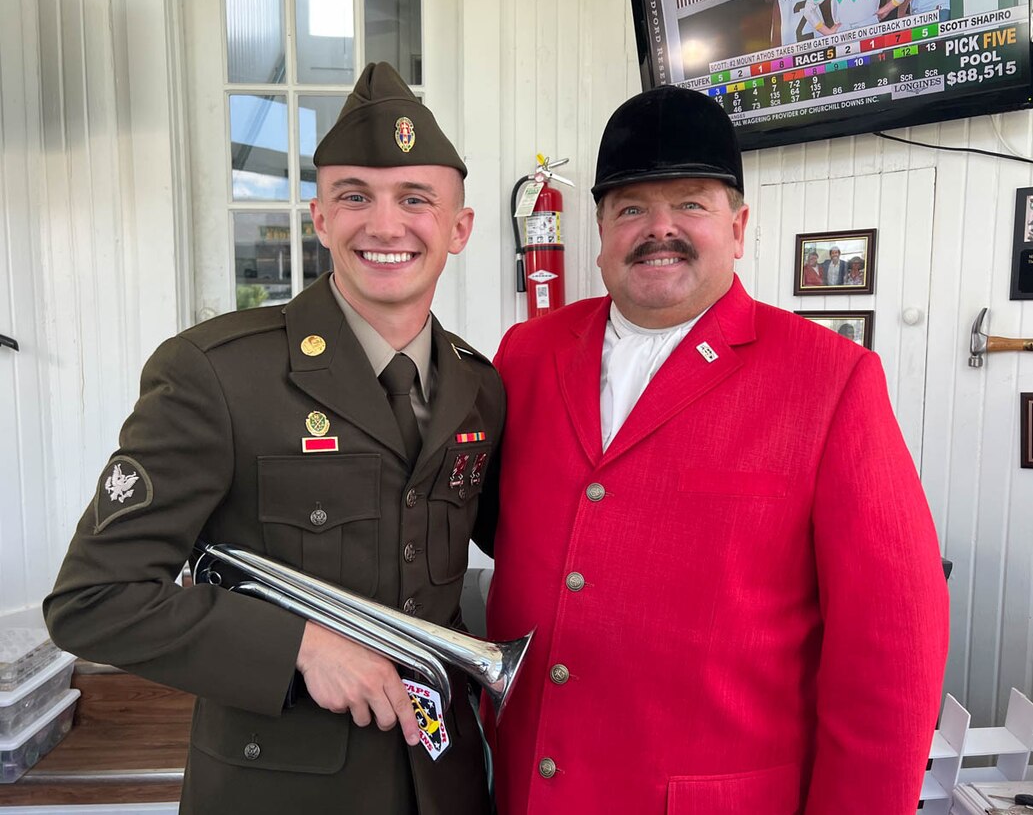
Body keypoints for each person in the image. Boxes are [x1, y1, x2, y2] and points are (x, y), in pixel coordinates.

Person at [43, 62, 501, 815]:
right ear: (320, 218)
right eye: (354, 197)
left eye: (414, 199)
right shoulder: (215, 373)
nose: (385, 225)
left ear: (459, 227)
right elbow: (92, 600)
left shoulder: (479, 385)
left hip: (442, 778)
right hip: (279, 786)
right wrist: (300, 646)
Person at [483, 85, 948, 814]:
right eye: (631, 207)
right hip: (527, 790)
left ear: (737, 226)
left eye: (690, 204)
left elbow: (893, 650)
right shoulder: (525, 354)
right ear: (600, 231)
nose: (658, 228)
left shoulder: (829, 381)